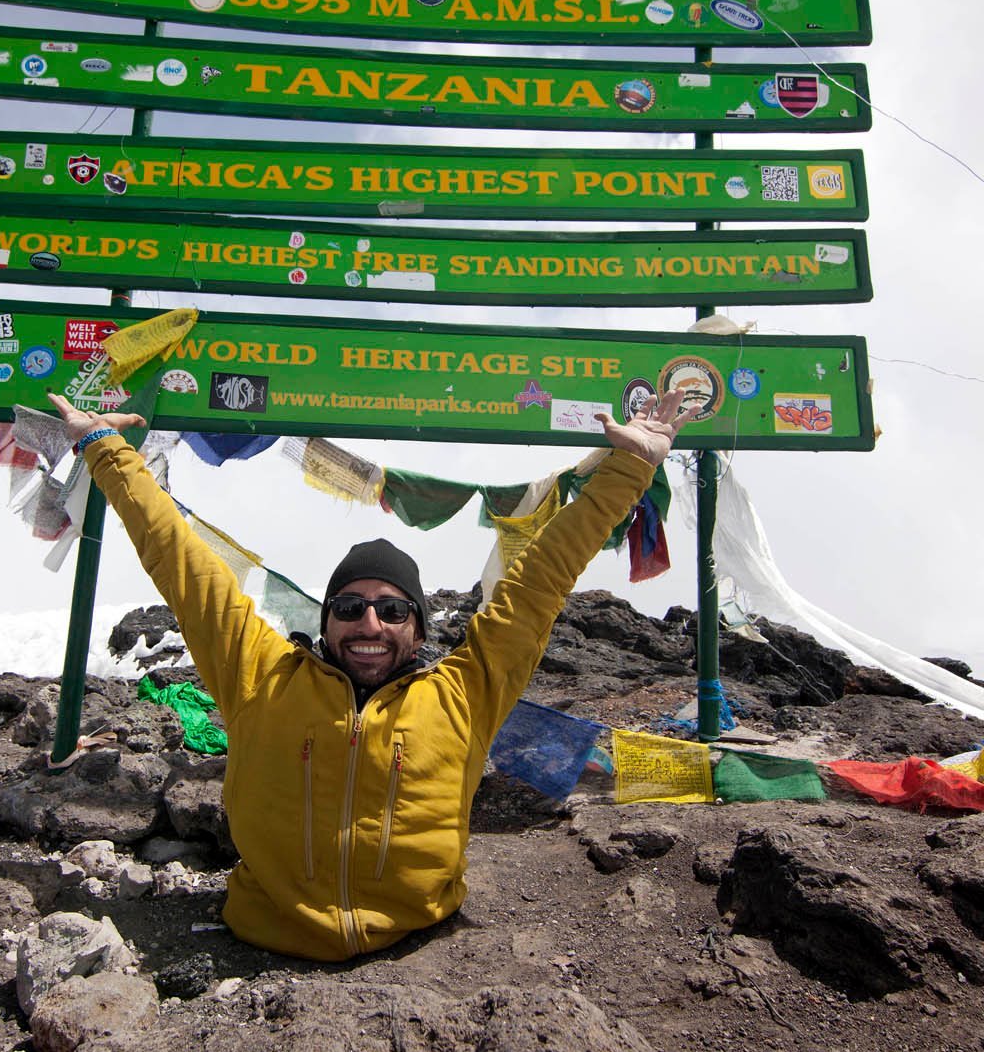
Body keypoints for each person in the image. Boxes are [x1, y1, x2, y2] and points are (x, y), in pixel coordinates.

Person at [49, 389, 686, 961]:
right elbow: (184, 566)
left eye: (392, 609)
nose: (370, 624)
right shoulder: (260, 676)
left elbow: (541, 579)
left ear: (418, 627)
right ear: (326, 622)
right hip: (263, 934)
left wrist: (631, 468)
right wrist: (106, 449)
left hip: (420, 944)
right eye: (350, 609)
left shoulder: (466, 690)